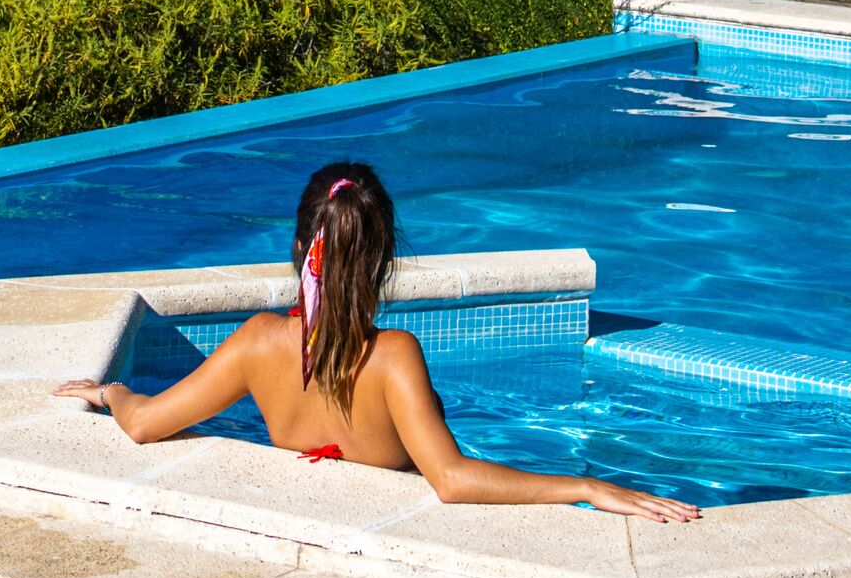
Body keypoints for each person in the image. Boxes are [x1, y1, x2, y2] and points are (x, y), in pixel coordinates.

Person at [55, 157, 697, 524]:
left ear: (299, 246)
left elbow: (145, 425)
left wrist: (112, 391)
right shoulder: (394, 358)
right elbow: (450, 478)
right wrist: (581, 485)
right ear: (383, 261)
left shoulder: (257, 345)